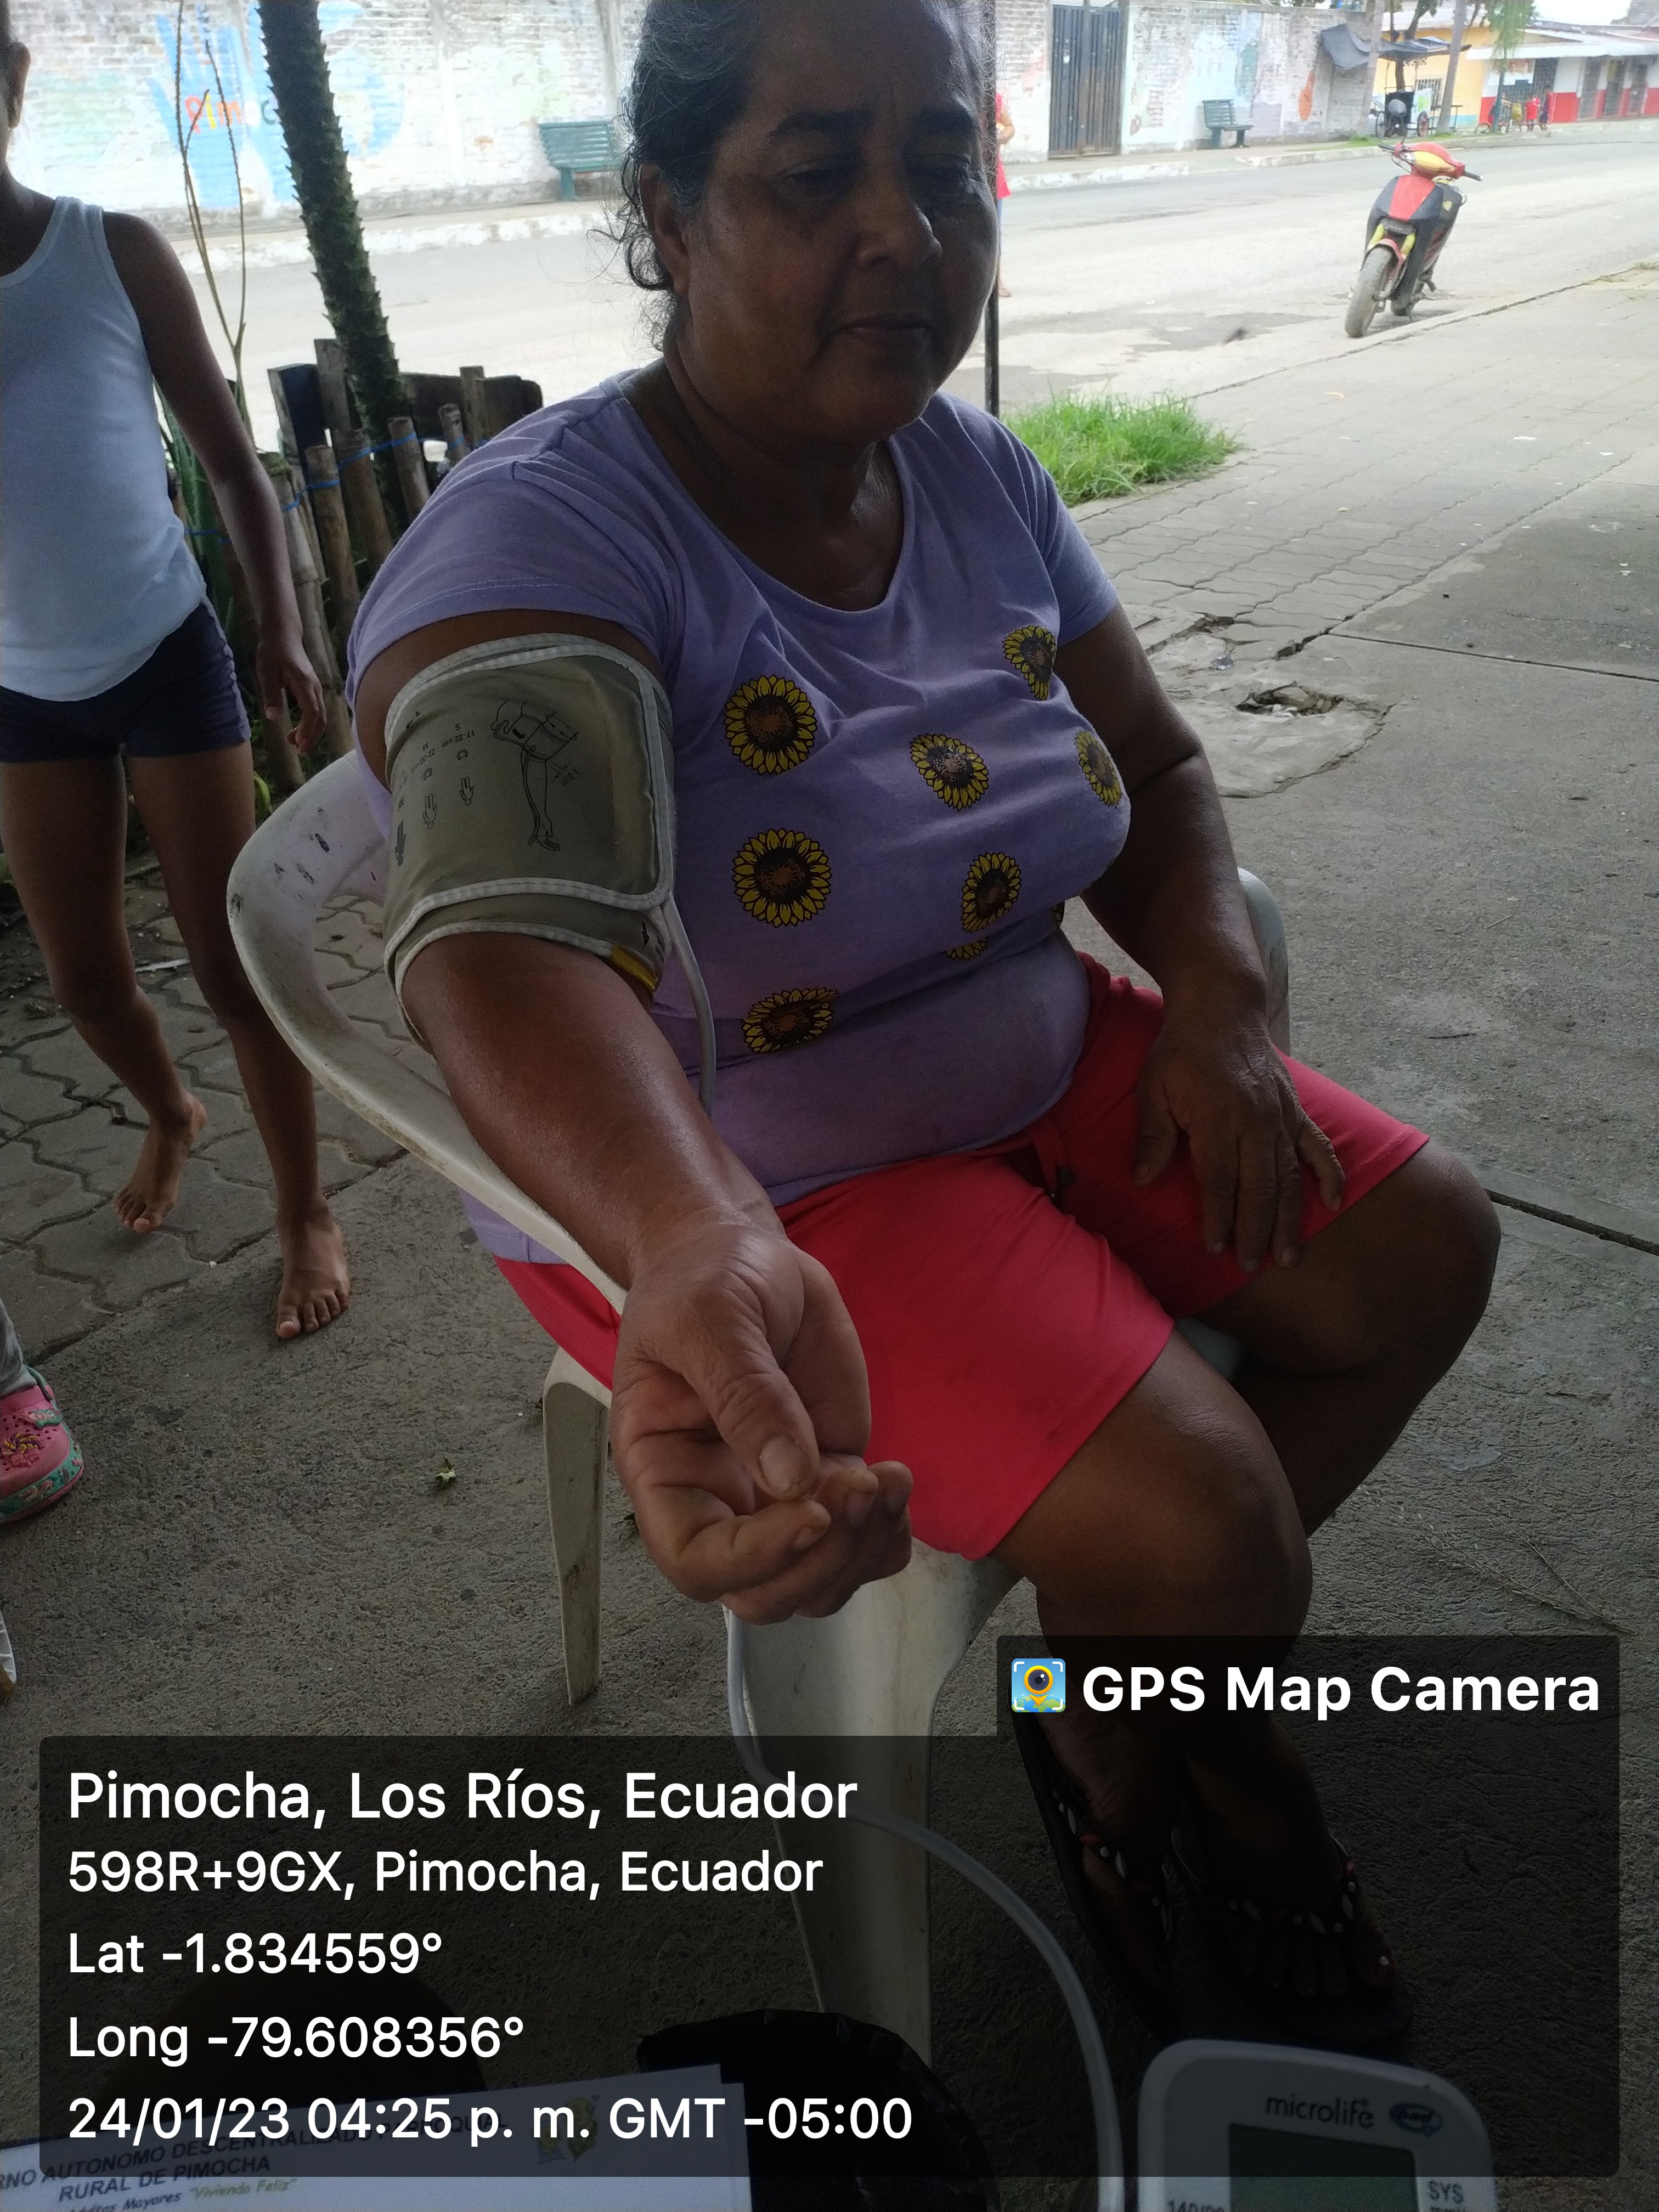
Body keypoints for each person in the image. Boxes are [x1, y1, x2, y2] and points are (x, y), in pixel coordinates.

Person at [349, 0, 1498, 2029]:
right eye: (815, 175)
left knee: (1428, 1254)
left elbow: (1159, 764)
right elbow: (502, 942)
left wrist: (1219, 992)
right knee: (1213, 1521)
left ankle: (1107, 1696)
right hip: (756, 1187)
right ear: (667, 216)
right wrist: (688, 1234)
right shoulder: (547, 535)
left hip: (1032, 1053)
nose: (905, 228)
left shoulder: (972, 473)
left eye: (944, 166)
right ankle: (1208, 1779)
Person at [0, 15, 350, 1338]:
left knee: (230, 959)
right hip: (22, 688)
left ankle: (306, 1209)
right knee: (85, 982)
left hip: (162, 652)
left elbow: (232, 466)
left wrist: (282, 626)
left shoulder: (110, 253)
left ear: (13, 86)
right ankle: (169, 1110)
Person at [994, 88, 1013, 298]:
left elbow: (1010, 127)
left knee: (994, 231)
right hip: (966, 173)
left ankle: (996, 281)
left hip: (993, 177)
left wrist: (1000, 138)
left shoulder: (995, 98)